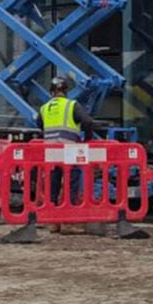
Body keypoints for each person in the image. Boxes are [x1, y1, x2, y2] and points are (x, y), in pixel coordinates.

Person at [37, 76, 96, 233]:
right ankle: (68, 220)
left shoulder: (44, 108)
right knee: (71, 182)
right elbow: (88, 122)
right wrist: (87, 139)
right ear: (66, 92)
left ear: (51, 92)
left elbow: (40, 125)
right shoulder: (72, 105)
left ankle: (53, 222)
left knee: (53, 184)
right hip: (70, 150)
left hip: (51, 152)